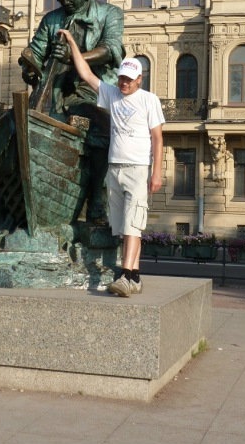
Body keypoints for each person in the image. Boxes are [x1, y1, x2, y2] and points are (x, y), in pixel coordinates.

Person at [59, 29, 165, 297]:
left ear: (139, 79)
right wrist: (72, 42)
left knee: (133, 223)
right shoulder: (112, 94)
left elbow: (157, 138)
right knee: (123, 226)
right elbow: (86, 74)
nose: (124, 83)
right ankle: (135, 277)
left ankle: (126, 276)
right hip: (115, 168)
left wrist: (157, 172)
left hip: (137, 169)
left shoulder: (149, 100)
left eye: (128, 79)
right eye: (121, 78)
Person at [19, 0, 125, 223]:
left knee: (100, 130)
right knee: (21, 129)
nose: (64, 2)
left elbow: (111, 49)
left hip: (94, 89)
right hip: (55, 92)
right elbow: (36, 51)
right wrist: (30, 67)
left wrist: (74, 56)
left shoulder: (109, 14)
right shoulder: (52, 20)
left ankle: (96, 200)